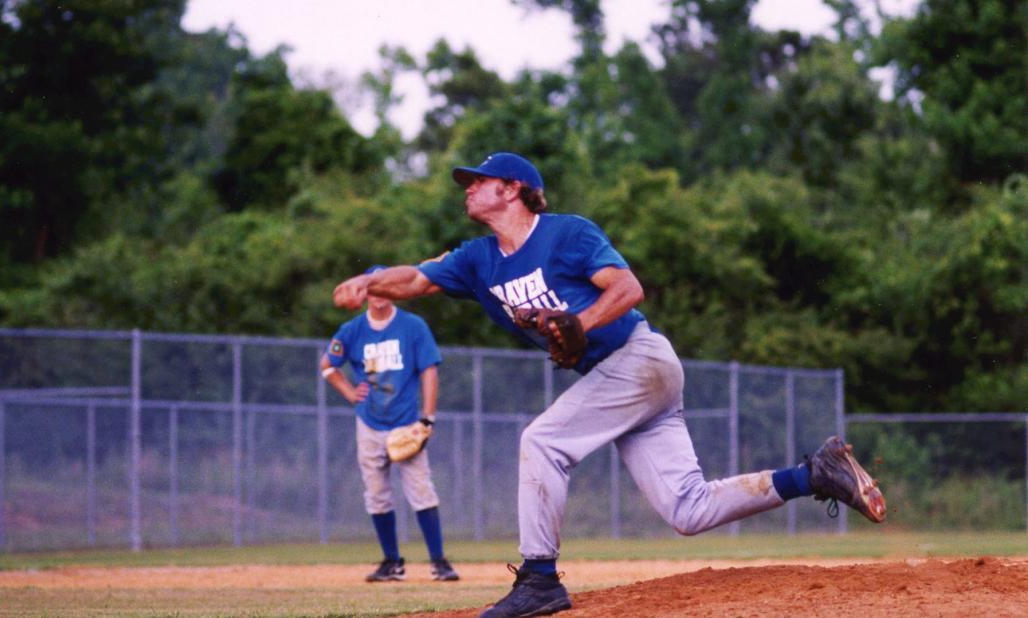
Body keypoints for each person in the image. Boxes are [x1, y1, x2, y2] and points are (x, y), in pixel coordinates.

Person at [332, 153, 886, 616]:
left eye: (478, 181)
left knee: (543, 441)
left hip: (639, 358)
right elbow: (419, 276)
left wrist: (581, 322)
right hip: (622, 381)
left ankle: (540, 578)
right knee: (687, 511)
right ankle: (815, 473)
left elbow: (627, 286)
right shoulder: (478, 260)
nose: (468, 189)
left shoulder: (565, 233)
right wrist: (369, 280)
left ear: (514, 189)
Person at [321, 266, 459, 583]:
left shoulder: (412, 326)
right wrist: (349, 392)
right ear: (367, 291)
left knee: (422, 490)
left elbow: (429, 372)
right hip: (369, 423)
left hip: (406, 422)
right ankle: (391, 563)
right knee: (377, 494)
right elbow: (328, 364)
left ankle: (439, 562)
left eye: (386, 286)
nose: (380, 293)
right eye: (375, 287)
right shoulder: (353, 330)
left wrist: (428, 417)